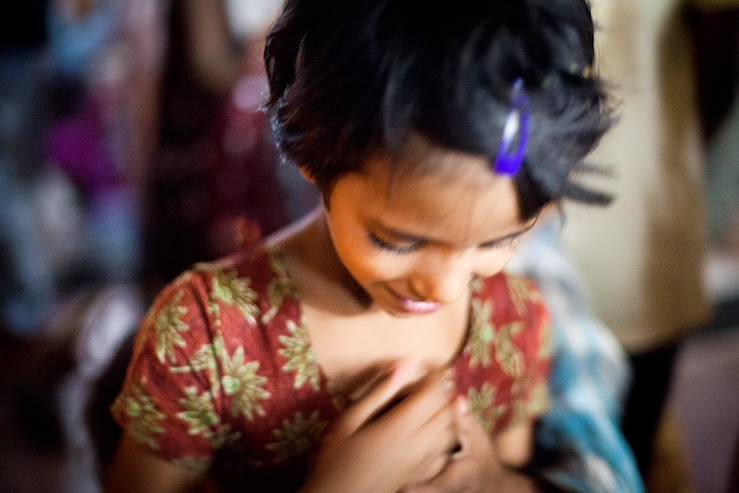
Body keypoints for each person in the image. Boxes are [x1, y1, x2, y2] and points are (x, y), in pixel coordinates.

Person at [107, 1, 614, 491]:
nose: (444, 286)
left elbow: (504, 470)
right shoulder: (208, 337)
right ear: (315, 155)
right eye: (397, 240)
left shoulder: (516, 322)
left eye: (497, 241)